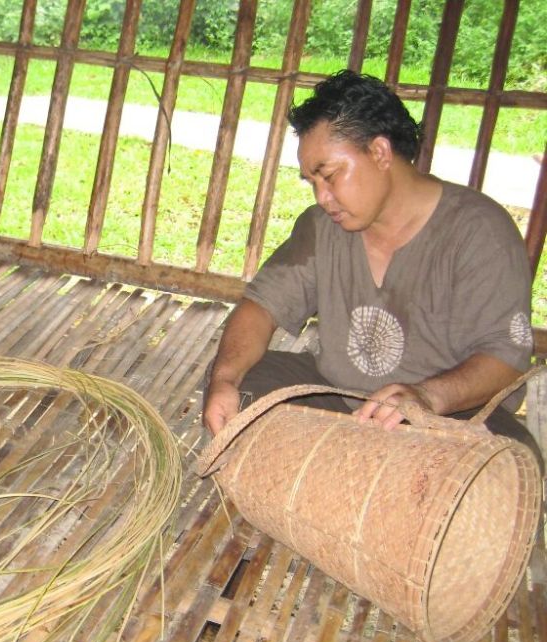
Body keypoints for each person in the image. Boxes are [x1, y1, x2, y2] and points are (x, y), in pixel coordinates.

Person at [202, 70, 540, 461]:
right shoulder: (321, 227)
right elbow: (260, 308)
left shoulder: (480, 231)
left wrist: (425, 396)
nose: (323, 197)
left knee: (505, 465)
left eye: (329, 176)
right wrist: (225, 380)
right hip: (337, 400)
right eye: (312, 182)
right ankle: (353, 474)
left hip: (447, 419)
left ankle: (341, 474)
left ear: (379, 152)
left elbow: (506, 357)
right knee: (236, 391)